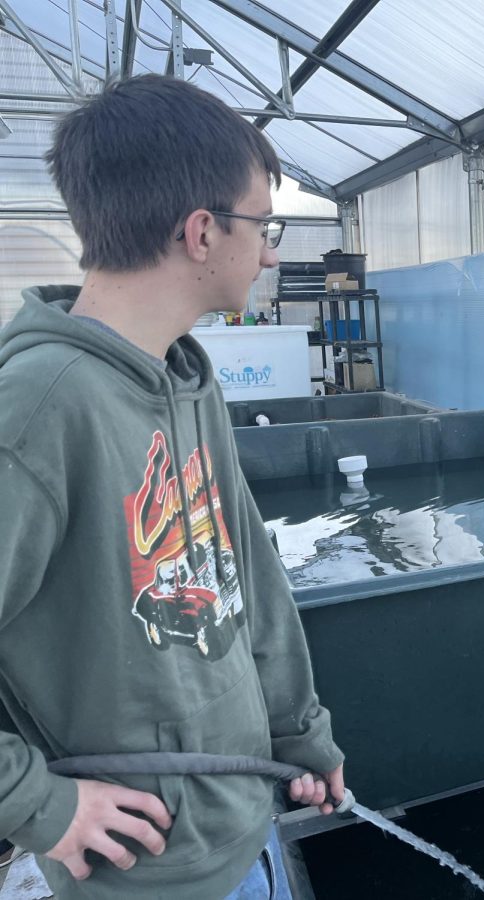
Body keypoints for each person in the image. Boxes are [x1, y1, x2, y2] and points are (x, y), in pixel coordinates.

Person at [0, 75, 344, 898]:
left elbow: (247, 579)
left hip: (240, 824)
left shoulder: (188, 378)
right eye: (264, 225)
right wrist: (37, 803)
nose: (270, 252)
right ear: (200, 232)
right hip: (140, 879)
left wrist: (302, 736)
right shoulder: (39, 409)